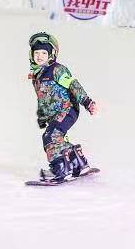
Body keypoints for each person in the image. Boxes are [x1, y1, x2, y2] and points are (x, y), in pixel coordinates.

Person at [28, 32, 97, 182]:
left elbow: (73, 85)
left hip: (67, 109)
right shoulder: (38, 76)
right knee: (57, 137)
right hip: (56, 113)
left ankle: (60, 168)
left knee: (50, 136)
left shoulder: (57, 70)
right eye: (36, 52)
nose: (39, 56)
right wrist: (43, 116)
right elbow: (43, 99)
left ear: (51, 54)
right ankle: (77, 161)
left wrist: (87, 101)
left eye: (44, 53)